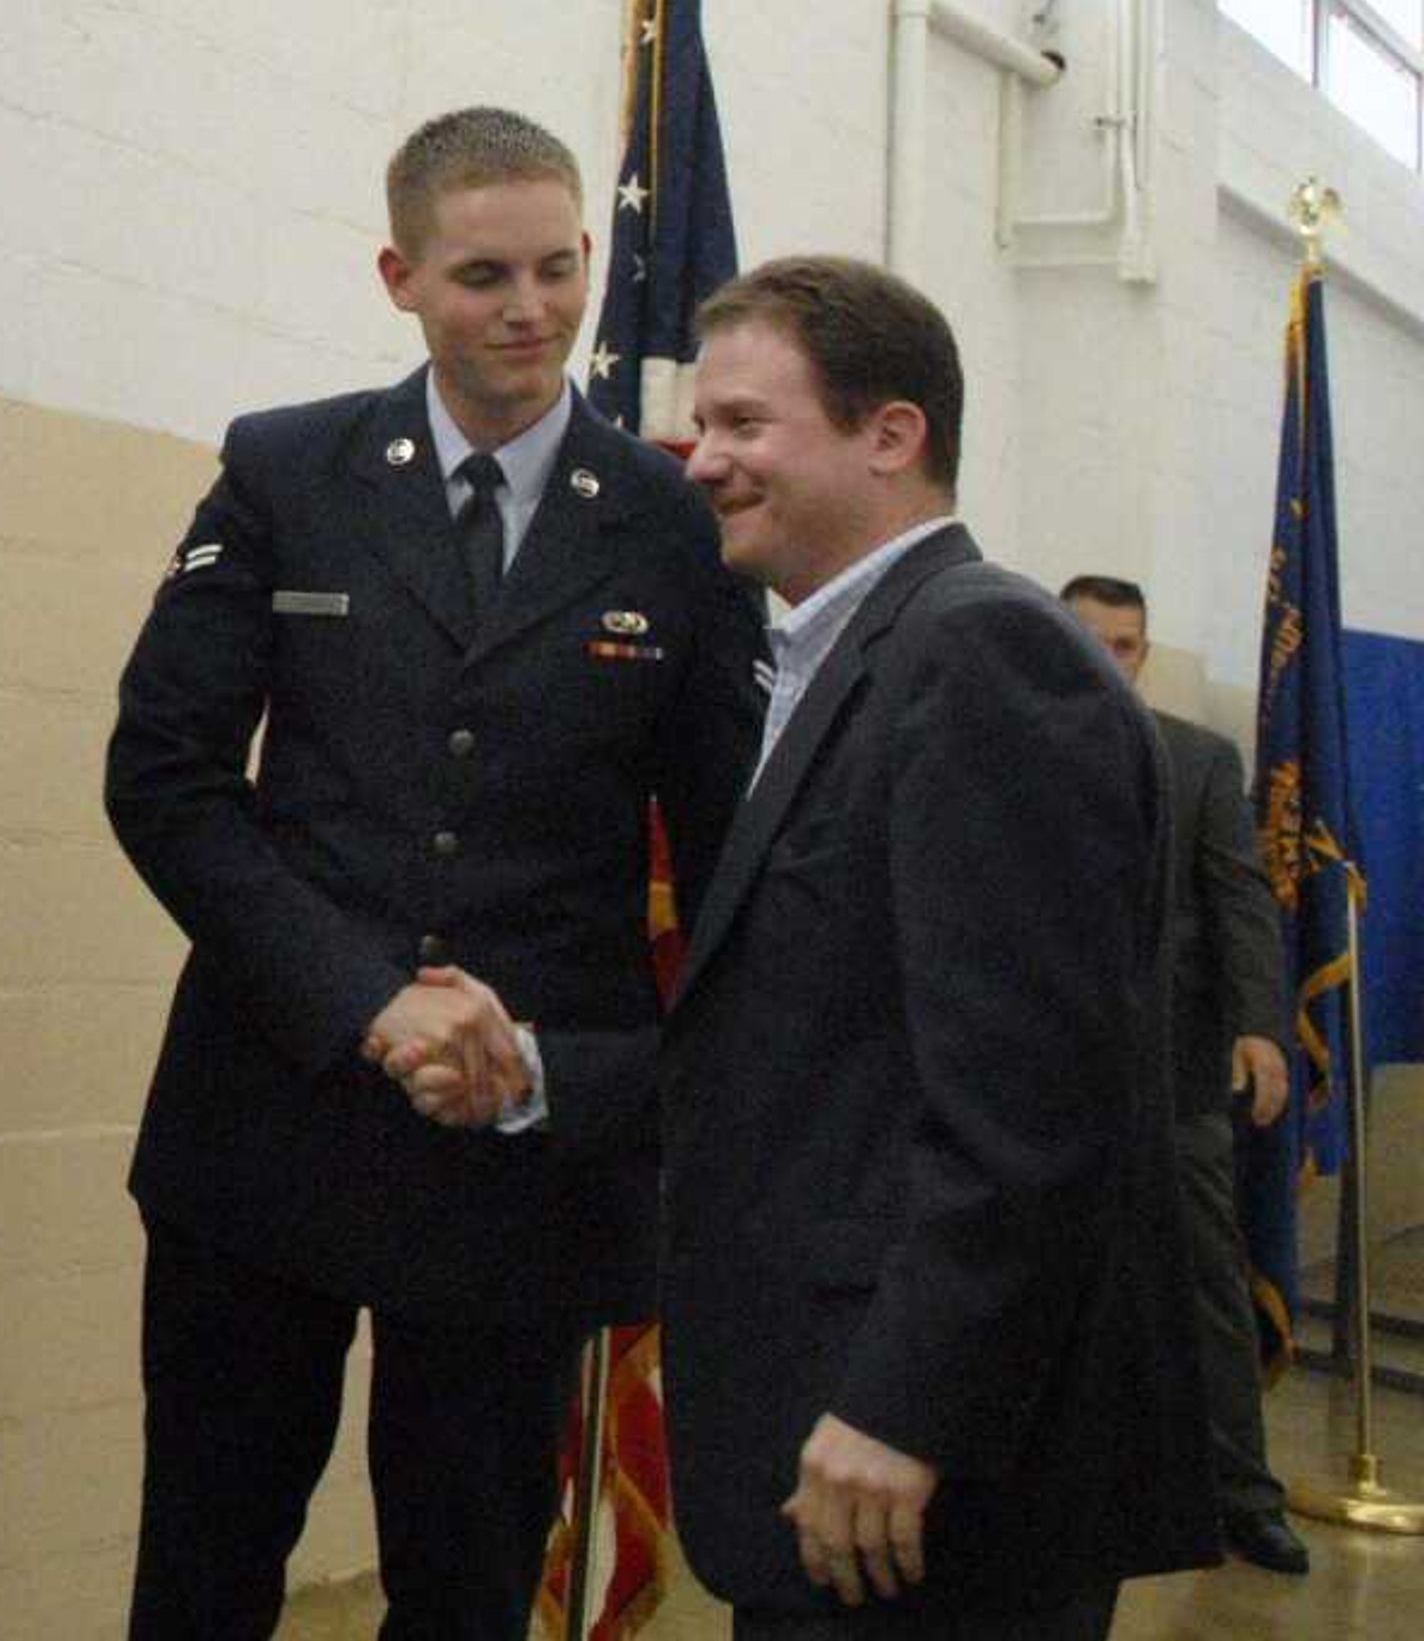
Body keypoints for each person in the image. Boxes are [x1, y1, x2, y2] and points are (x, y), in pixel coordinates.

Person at [102, 106, 762, 1638]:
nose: (528, 310)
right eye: (481, 276)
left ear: (590, 256)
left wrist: (597, 1080)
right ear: (401, 274)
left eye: (554, 267)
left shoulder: (673, 522)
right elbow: (167, 779)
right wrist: (362, 998)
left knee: (467, 1584)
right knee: (203, 1564)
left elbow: (728, 855)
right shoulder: (289, 468)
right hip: (267, 1113)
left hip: (512, 1160)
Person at [658, 259, 1214, 1633]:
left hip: (919, 1466)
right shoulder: (847, 655)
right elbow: (817, 1033)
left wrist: (906, 1403)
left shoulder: (982, 661)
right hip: (837, 1425)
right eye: (700, 425)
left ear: (889, 433)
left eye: (741, 423)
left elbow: (1032, 1107)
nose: (701, 459)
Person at [1057, 573, 1308, 1578]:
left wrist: (1259, 1027)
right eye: (1092, 640)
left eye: (1127, 643)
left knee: (1206, 1288)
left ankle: (1241, 1494)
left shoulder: (1198, 759)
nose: (1110, 659)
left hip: (1174, 1073)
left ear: (1143, 653)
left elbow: (1240, 899)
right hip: (1041, 1075)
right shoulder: (1008, 740)